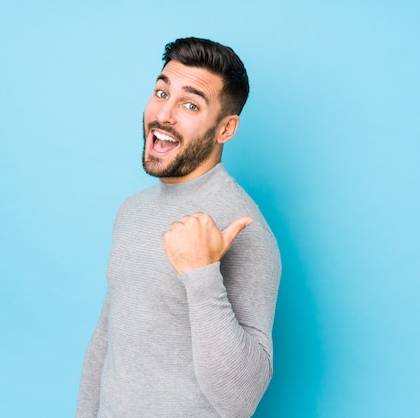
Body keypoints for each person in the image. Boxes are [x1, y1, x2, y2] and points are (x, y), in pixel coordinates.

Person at [76, 37, 281, 418]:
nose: (164, 115)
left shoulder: (244, 229)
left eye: (190, 104)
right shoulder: (131, 211)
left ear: (225, 129)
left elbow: (242, 399)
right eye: (161, 92)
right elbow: (107, 340)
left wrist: (202, 275)